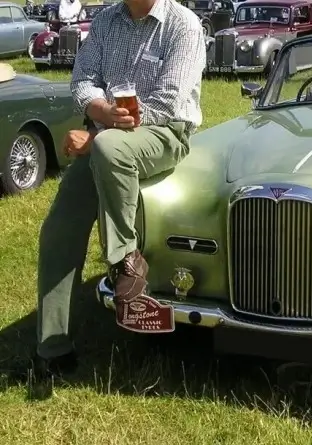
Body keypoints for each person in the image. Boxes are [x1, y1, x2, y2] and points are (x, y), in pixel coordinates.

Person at [34, 0, 206, 379]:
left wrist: (97, 134)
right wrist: (100, 114)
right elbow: (81, 81)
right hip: (107, 136)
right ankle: (52, 349)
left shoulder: (184, 25)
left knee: (109, 147)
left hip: (165, 134)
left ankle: (126, 261)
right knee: (59, 232)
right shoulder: (106, 20)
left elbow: (168, 102)